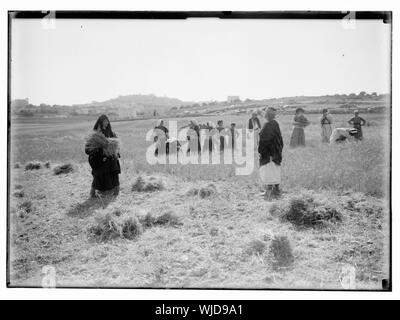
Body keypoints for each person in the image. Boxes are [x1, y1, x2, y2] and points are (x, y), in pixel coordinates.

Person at [85, 114, 121, 198]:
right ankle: (92, 194)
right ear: (100, 122)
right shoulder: (95, 134)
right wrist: (100, 149)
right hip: (99, 159)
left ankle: (115, 193)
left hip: (111, 158)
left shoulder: (111, 132)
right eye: (104, 121)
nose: (106, 123)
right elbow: (88, 148)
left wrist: (115, 151)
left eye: (107, 121)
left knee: (114, 174)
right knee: (98, 175)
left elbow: (116, 145)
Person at [258, 107, 284, 201]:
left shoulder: (268, 125)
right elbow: (280, 140)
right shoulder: (275, 124)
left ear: (267, 115)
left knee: (269, 171)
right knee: (275, 171)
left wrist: (262, 151)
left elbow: (264, 140)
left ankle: (269, 193)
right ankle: (276, 191)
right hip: (275, 152)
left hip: (269, 153)